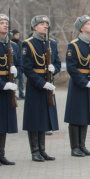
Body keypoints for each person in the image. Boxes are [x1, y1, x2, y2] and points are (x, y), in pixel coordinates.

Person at [64, 15, 90, 157]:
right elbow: (71, 68)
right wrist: (84, 82)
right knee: (76, 116)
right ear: (81, 28)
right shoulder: (74, 45)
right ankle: (75, 147)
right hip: (78, 85)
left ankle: (82, 145)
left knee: (85, 115)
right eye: (87, 24)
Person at [22, 15, 61, 162]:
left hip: (49, 83)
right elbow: (27, 68)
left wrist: (54, 69)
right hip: (35, 85)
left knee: (44, 118)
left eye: (46, 24)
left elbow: (57, 63)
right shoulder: (28, 44)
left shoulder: (52, 43)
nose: (45, 26)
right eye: (42, 24)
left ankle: (42, 150)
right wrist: (41, 83)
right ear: (35, 27)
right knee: (34, 119)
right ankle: (35, 151)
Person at [0, 14, 22, 166]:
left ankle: (1, 154)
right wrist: (2, 84)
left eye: (7, 23)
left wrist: (16, 72)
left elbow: (21, 65)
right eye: (1, 23)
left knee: (4, 122)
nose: (5, 25)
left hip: (9, 86)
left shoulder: (13, 46)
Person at [11, 29, 25, 100]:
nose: (18, 36)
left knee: (21, 80)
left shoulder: (20, 43)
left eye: (18, 35)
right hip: (13, 65)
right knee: (13, 81)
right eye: (16, 35)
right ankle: (14, 93)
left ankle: (21, 93)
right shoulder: (11, 43)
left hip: (20, 65)